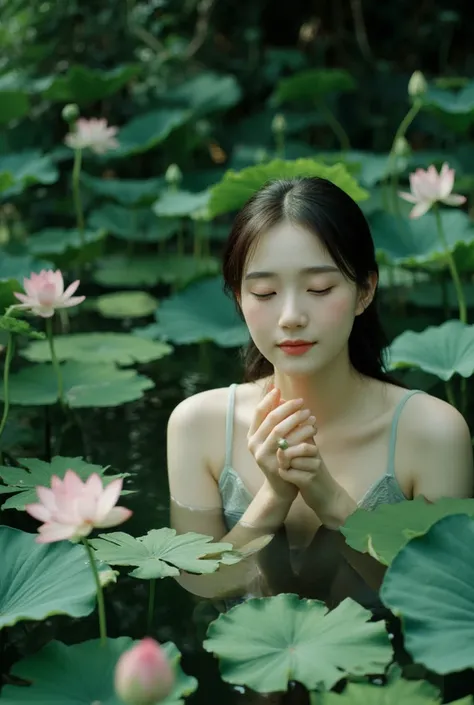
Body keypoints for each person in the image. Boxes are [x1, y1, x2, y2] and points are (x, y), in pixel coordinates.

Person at [166, 176, 473, 606]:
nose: (291, 316)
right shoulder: (197, 424)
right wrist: (274, 496)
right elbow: (200, 586)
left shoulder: (433, 433)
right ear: (239, 297)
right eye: (265, 292)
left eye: (319, 289)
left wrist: (331, 501)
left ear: (364, 290)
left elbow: (442, 603)